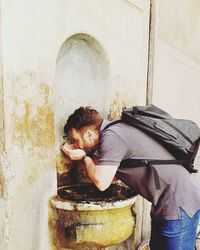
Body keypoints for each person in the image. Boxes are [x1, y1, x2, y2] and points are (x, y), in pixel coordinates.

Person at [61, 106, 200, 250]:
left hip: (179, 202)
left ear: (89, 135)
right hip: (166, 203)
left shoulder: (113, 136)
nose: (76, 145)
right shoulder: (116, 131)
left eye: (75, 140)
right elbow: (113, 178)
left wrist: (85, 157)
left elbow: (102, 183)